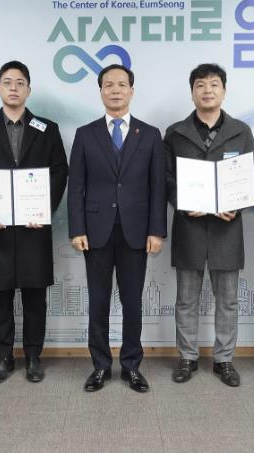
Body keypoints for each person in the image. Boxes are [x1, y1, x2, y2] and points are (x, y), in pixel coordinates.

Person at [0, 61, 68, 384]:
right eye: (7, 82)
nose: (13, 88)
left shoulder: (47, 128)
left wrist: (42, 209)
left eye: (20, 83)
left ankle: (33, 356)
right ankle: (3, 357)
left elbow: (59, 171)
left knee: (35, 297)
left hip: (34, 230)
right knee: (0, 298)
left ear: (28, 90)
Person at [67, 64, 167, 393]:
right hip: (95, 231)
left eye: (121, 84)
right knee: (98, 301)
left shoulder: (150, 134)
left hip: (136, 231)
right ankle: (100, 366)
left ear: (132, 91)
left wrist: (156, 230)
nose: (115, 90)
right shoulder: (85, 134)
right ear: (100, 91)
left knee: (132, 303)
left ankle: (131, 366)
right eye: (108, 84)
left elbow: (157, 186)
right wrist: (77, 228)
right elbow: (76, 185)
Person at [164, 64, 254, 386]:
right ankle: (187, 357)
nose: (207, 90)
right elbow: (165, 177)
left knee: (228, 299)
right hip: (189, 227)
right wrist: (182, 201)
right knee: (186, 299)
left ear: (224, 90)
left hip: (227, 228)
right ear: (192, 92)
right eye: (201, 85)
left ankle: (224, 360)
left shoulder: (241, 131)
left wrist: (237, 204)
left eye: (214, 84)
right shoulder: (175, 133)